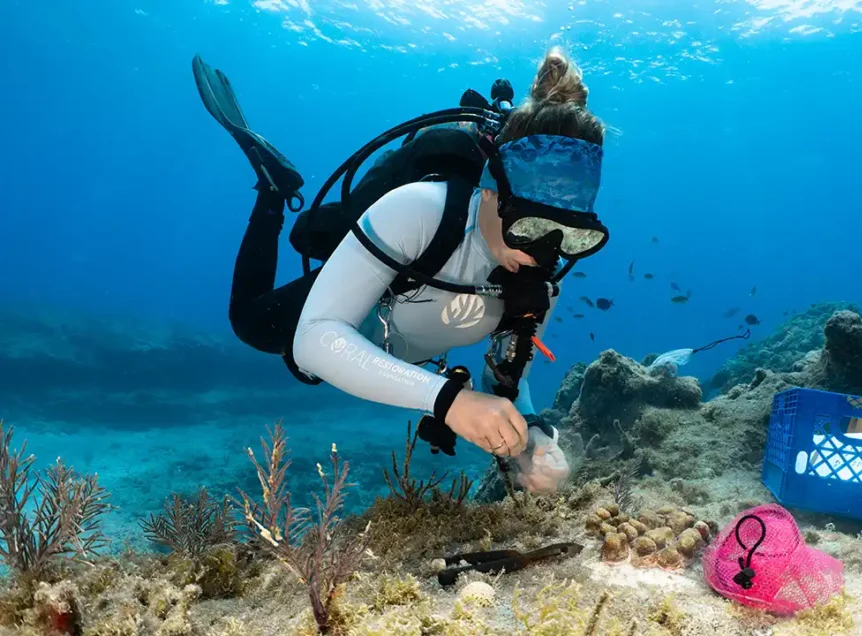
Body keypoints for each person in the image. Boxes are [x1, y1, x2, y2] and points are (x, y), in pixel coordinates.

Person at [192, 48, 608, 494]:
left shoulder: (541, 282)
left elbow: (508, 377)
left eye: (568, 234)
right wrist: (448, 401)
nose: (543, 253)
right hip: (384, 285)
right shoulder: (419, 210)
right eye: (530, 225)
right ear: (490, 192)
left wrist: (532, 436)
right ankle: (274, 191)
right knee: (251, 324)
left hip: (397, 339)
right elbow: (315, 338)